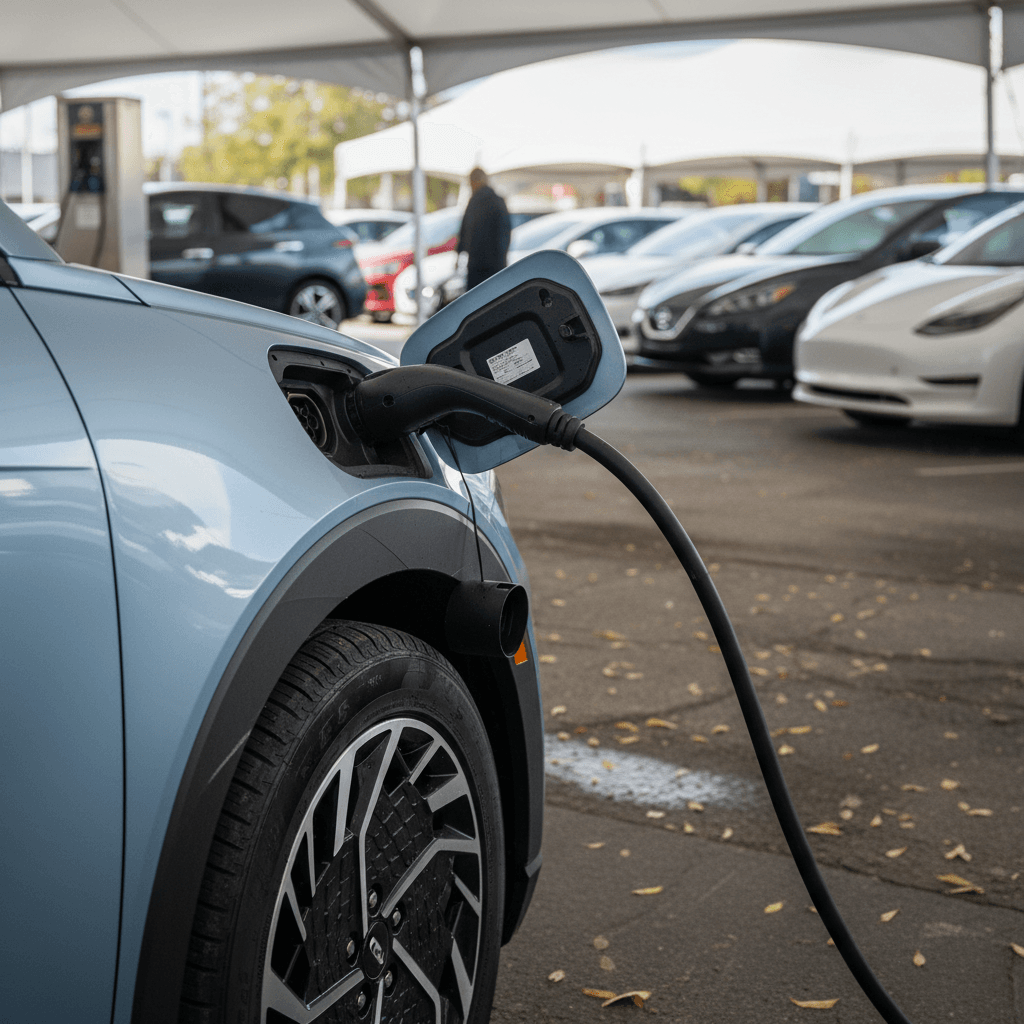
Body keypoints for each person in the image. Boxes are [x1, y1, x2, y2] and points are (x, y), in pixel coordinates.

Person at [457, 168, 511, 291]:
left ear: (475, 181)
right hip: (496, 265)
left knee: (475, 302)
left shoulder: (474, 202)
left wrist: (459, 253)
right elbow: (505, 235)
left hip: (476, 264)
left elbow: (465, 230)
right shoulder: (498, 201)